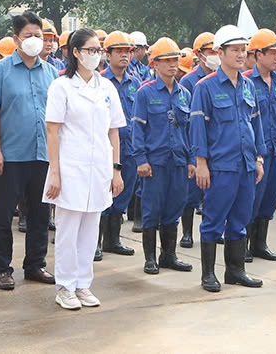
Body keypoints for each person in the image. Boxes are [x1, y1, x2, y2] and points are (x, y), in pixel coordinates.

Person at [44, 27, 125, 310]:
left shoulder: (106, 87)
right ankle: (64, 287)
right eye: (90, 50)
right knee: (68, 231)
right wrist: (55, 172)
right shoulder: (61, 86)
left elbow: (113, 132)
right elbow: (52, 131)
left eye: (98, 50)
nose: (96, 55)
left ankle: (83, 284)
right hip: (69, 167)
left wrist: (116, 169)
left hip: (99, 168)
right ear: (75, 53)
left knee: (91, 230)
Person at [189, 24, 265, 293]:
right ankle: (208, 274)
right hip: (220, 167)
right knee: (213, 219)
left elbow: (255, 124)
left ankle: (235, 271)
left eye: (244, 50)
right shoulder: (205, 87)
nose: (241, 54)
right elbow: (197, 128)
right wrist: (201, 163)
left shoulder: (248, 86)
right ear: (220, 53)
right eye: (235, 50)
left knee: (240, 219)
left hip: (245, 165)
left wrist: (258, 158)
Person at [0, 12, 58, 291]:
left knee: (41, 214)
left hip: (42, 155)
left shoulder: (51, 72)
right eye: (29, 36)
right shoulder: (1, 71)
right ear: (16, 39)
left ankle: (35, 264)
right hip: (10, 156)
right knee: (3, 215)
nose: (35, 41)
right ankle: (2, 268)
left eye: (39, 36)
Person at [132, 37, 194, 274]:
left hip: (178, 161)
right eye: (166, 61)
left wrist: (190, 160)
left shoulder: (184, 94)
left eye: (175, 60)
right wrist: (141, 159)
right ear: (154, 64)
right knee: (151, 209)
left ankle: (169, 255)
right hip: (155, 162)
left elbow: (188, 131)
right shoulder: (145, 93)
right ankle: (150, 258)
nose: (172, 65)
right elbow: (138, 128)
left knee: (174, 207)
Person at [241, 29, 276, 262]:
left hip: (275, 150)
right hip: (256, 152)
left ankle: (261, 243)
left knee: (269, 199)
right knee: (252, 198)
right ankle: (245, 244)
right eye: (272, 52)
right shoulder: (247, 81)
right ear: (258, 55)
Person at [98, 31, 141, 259]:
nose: (125, 55)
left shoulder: (136, 82)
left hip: (131, 148)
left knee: (123, 195)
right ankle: (96, 241)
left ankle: (113, 240)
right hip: (108, 146)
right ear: (109, 54)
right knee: (104, 193)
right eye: (120, 51)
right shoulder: (101, 82)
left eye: (128, 51)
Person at [177, 31, 215, 248]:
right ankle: (187, 232)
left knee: (211, 192)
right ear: (200, 55)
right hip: (194, 141)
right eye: (210, 52)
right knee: (192, 193)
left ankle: (209, 230)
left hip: (216, 143)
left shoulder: (221, 79)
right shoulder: (191, 81)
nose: (214, 56)